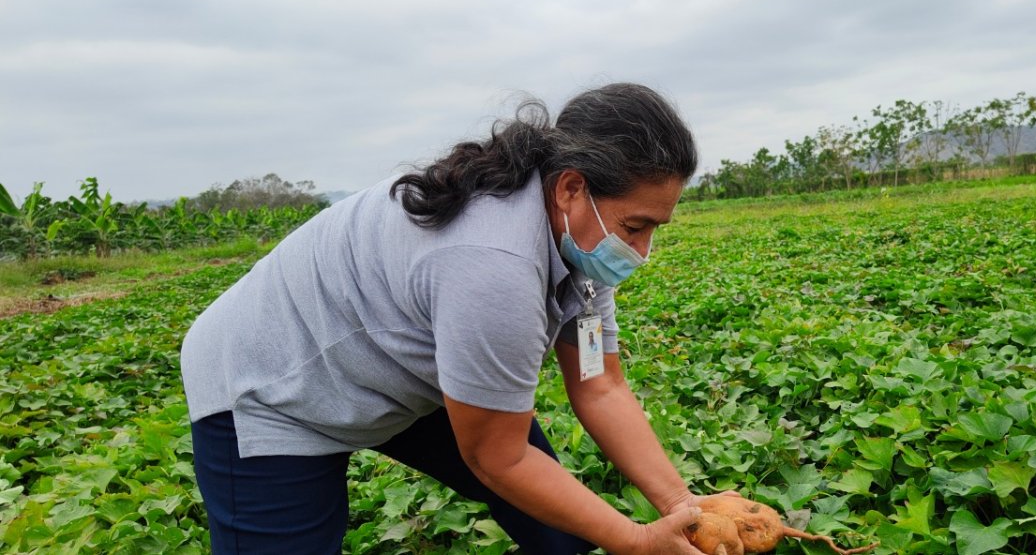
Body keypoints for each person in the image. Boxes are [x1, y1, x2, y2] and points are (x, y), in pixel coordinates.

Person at [180, 83, 727, 554]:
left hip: (395, 362)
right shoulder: (493, 263)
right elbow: (498, 456)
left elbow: (600, 383)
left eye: (655, 227)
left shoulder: (578, 241)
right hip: (271, 382)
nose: (641, 249)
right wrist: (634, 540)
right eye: (635, 227)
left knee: (559, 531)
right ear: (571, 187)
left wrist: (684, 506)